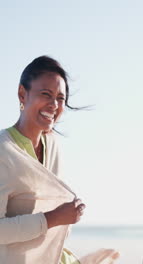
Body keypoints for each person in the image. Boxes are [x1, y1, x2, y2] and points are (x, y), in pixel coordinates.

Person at [0, 56, 119, 264]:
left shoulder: (52, 144)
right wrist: (54, 218)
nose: (54, 104)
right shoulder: (3, 151)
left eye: (60, 98)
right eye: (45, 94)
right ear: (22, 94)